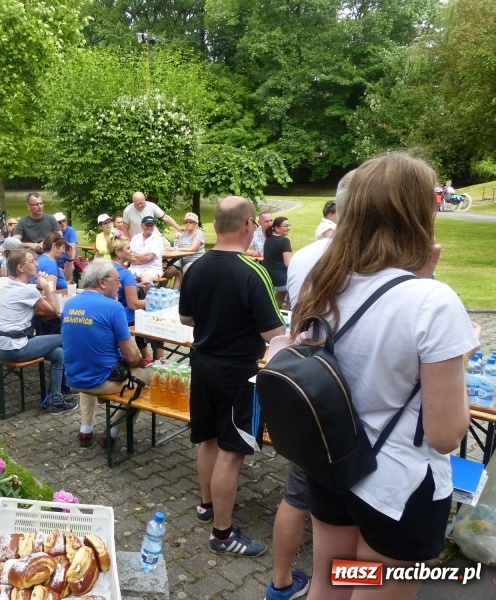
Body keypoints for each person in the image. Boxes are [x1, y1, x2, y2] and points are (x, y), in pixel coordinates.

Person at [293, 153, 479, 600]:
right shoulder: (432, 302)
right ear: (418, 211)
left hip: (333, 464)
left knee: (330, 584)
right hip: (398, 483)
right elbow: (446, 434)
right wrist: (460, 351)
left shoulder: (324, 281)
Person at [263, 171, 355, 600]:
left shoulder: (305, 254)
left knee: (298, 495)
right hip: (350, 413)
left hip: (310, 390)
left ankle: (281, 582)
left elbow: (299, 319)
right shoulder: (381, 266)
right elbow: (449, 431)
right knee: (350, 530)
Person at [179, 196, 285, 558]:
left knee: (208, 440)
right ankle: (222, 534)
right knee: (232, 453)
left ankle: (207, 505)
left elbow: (186, 319)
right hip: (240, 375)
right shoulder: (253, 271)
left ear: (214, 226)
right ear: (248, 224)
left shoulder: (195, 267)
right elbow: (275, 333)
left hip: (203, 366)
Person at [61, 259, 149, 447]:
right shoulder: (113, 307)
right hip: (101, 381)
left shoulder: (69, 304)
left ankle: (86, 430)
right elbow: (132, 358)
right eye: (117, 281)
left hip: (74, 377)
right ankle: (113, 432)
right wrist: (145, 362)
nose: (120, 285)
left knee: (91, 363)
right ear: (102, 282)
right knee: (147, 377)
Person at [0, 249, 76, 413]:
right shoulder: (27, 290)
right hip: (15, 348)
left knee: (59, 354)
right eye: (32, 261)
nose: (36, 264)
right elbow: (53, 310)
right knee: (67, 337)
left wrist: (38, 287)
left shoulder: (9, 285)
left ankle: (57, 397)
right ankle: (64, 390)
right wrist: (45, 287)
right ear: (21, 268)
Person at [107, 238, 155, 365]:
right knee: (149, 317)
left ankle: (146, 356)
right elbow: (133, 304)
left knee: (140, 316)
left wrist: (135, 285)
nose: (131, 250)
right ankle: (156, 360)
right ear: (118, 252)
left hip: (108, 312)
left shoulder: (105, 269)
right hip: (122, 315)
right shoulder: (125, 274)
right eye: (128, 248)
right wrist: (153, 301)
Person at [162, 211, 205, 289]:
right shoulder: (183, 233)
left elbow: (193, 249)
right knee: (167, 273)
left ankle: (175, 293)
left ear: (196, 223)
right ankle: (159, 291)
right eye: (186, 222)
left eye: (191, 222)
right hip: (182, 259)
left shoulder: (199, 233)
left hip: (195, 260)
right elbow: (177, 248)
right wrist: (177, 239)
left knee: (181, 273)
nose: (188, 223)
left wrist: (174, 248)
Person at [262, 217, 292, 307]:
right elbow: (288, 263)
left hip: (269, 278)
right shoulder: (284, 241)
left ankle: (274, 309)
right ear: (277, 228)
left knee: (282, 292)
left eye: (289, 225)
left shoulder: (268, 239)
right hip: (281, 281)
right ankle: (288, 312)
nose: (289, 228)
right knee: (296, 286)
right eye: (286, 226)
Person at [128, 216, 164, 287]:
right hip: (134, 268)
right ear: (141, 226)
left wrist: (135, 254)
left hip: (151, 269)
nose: (149, 227)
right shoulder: (135, 238)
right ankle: (130, 297)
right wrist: (144, 256)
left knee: (146, 282)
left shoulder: (157, 240)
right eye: (147, 225)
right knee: (120, 278)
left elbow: (148, 258)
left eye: (151, 225)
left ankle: (144, 297)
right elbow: (129, 256)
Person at [53, 212, 77, 283]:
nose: (63, 223)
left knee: (69, 274)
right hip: (56, 260)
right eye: (59, 222)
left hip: (67, 259)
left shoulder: (70, 230)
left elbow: (73, 247)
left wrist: (71, 262)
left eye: (64, 221)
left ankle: (68, 287)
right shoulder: (54, 233)